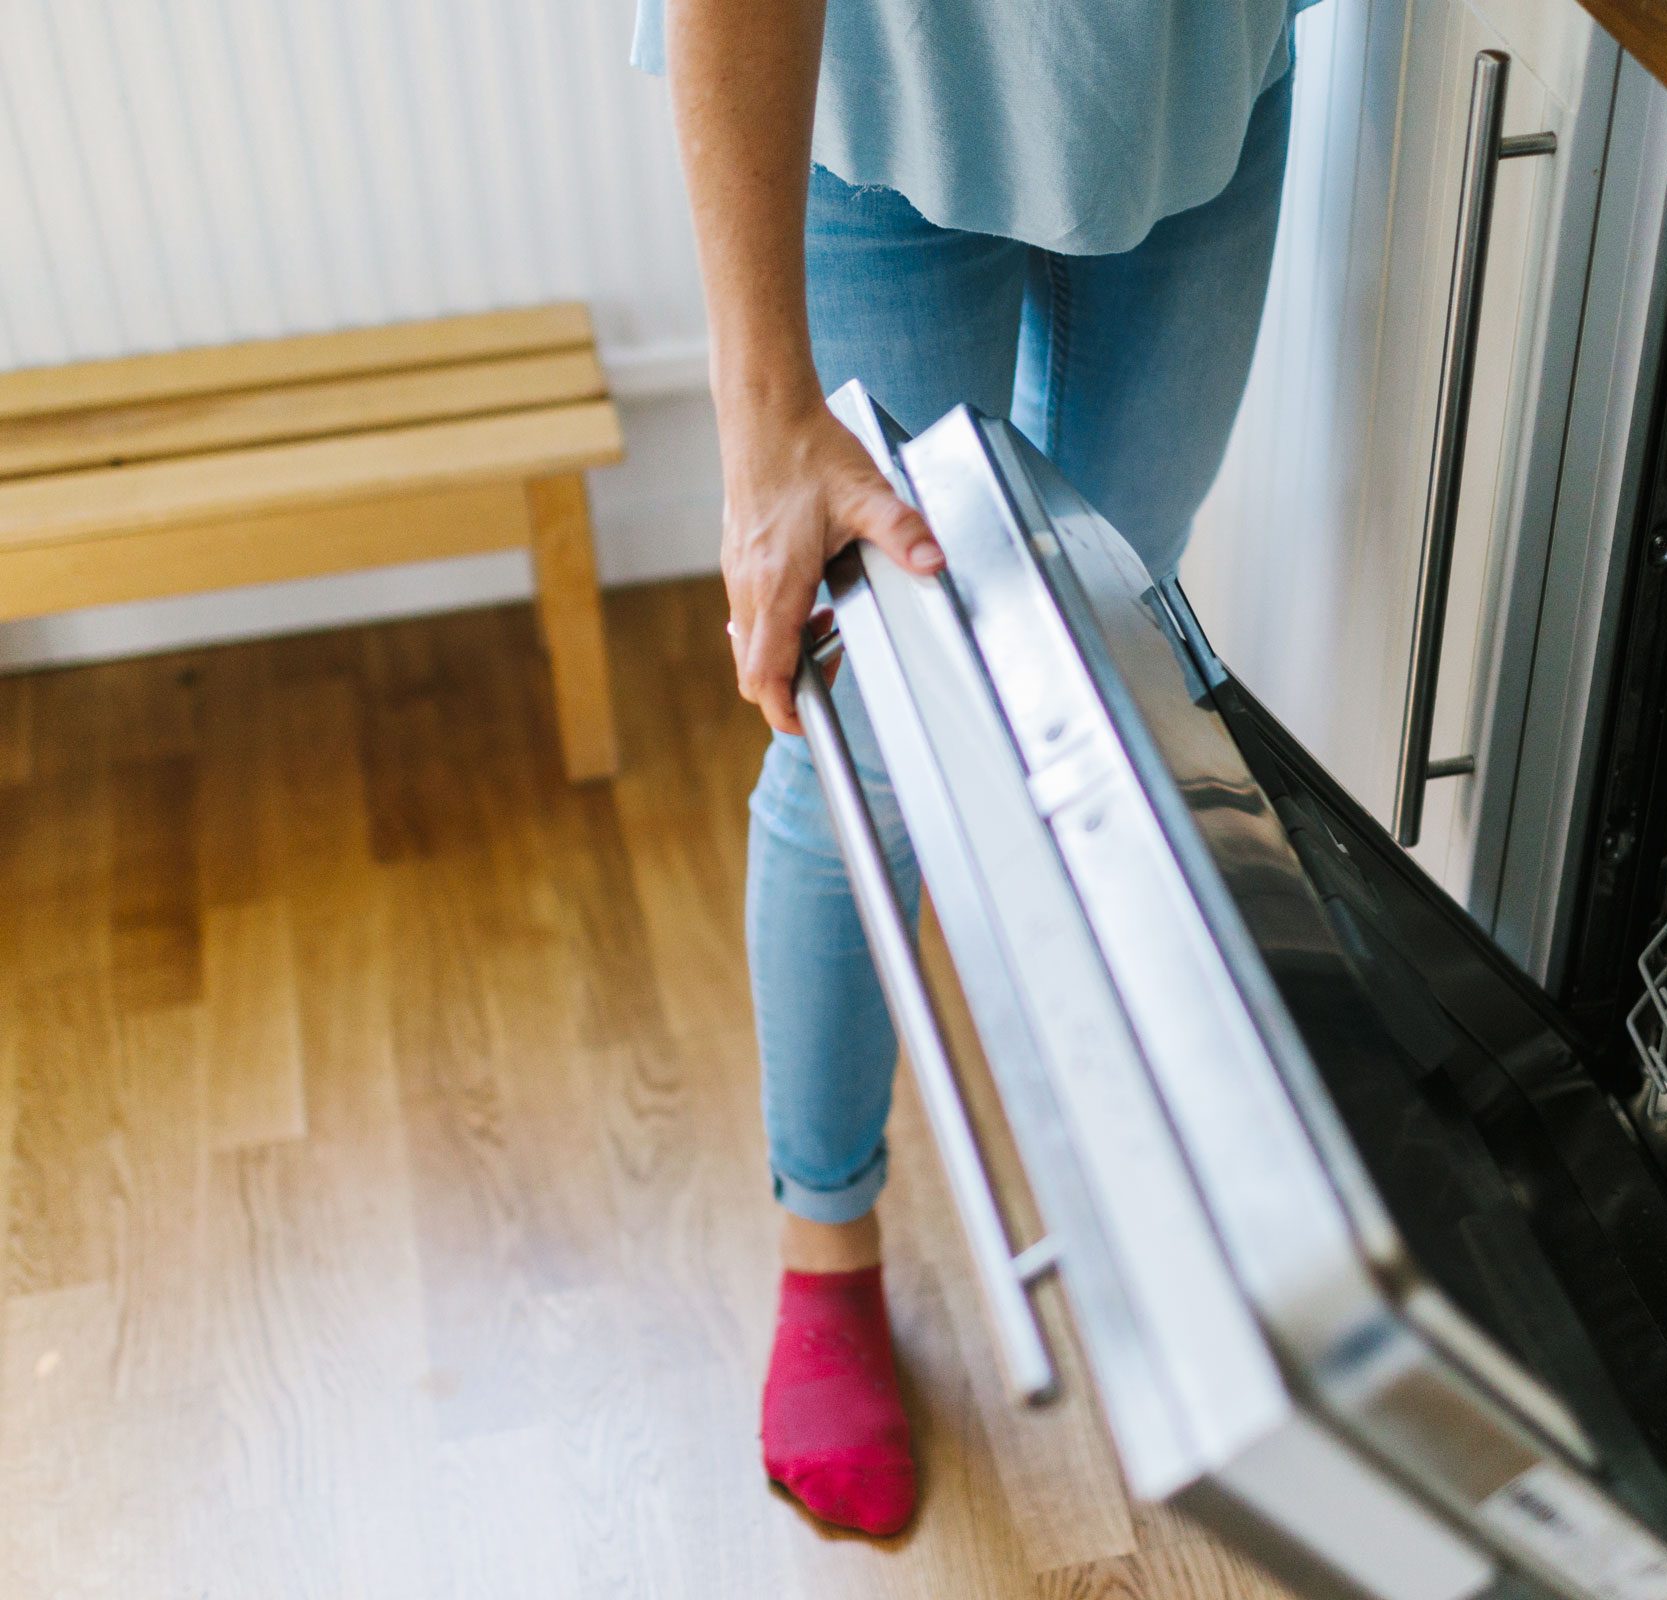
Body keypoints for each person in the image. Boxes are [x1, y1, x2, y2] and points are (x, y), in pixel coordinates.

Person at [636, 0, 1304, 1539]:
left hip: (1199, 84)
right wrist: (762, 425)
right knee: (858, 734)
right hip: (890, 96)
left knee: (1112, 665)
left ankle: (1135, 1193)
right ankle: (827, 1248)